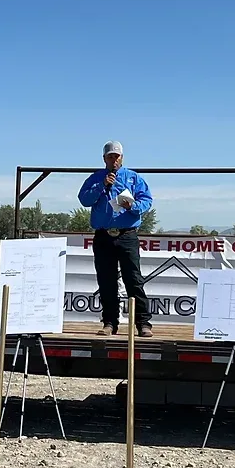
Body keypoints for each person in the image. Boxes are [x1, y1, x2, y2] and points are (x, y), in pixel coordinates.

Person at [77, 140, 153, 337]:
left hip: (127, 235)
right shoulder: (95, 178)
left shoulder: (134, 178)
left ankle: (143, 324)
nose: (114, 160)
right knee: (106, 280)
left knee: (134, 280)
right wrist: (101, 186)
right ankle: (110, 323)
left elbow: (147, 200)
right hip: (103, 236)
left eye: (117, 156)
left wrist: (133, 206)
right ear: (104, 159)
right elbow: (84, 199)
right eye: (110, 156)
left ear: (122, 158)